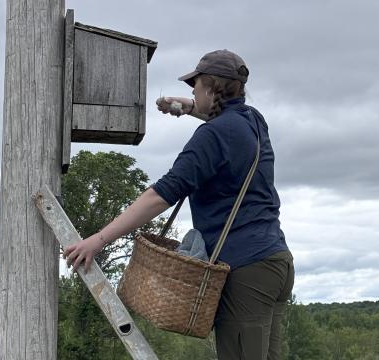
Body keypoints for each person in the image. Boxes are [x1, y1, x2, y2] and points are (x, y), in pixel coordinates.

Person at [63, 49, 294, 359]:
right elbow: (228, 118)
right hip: (276, 264)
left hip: (246, 271)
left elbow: (160, 195)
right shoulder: (253, 120)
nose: (192, 91)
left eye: (195, 85)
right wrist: (189, 108)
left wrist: (98, 240)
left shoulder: (211, 137)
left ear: (211, 87)